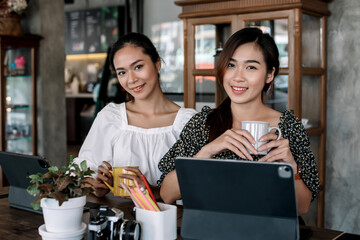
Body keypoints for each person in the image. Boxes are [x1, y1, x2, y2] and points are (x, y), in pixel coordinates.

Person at [158, 27, 320, 216]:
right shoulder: (204, 123)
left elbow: (302, 208)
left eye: (251, 67)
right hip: (211, 231)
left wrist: (292, 168)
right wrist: (207, 151)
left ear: (269, 74)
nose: (237, 77)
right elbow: (167, 194)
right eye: (231, 65)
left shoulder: (288, 127)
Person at [74, 32, 197, 198]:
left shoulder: (188, 122)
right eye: (122, 72)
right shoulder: (111, 117)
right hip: (122, 219)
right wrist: (95, 184)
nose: (131, 79)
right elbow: (84, 172)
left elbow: (200, 184)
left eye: (138, 67)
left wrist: (151, 190)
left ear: (157, 63)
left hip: (176, 220)